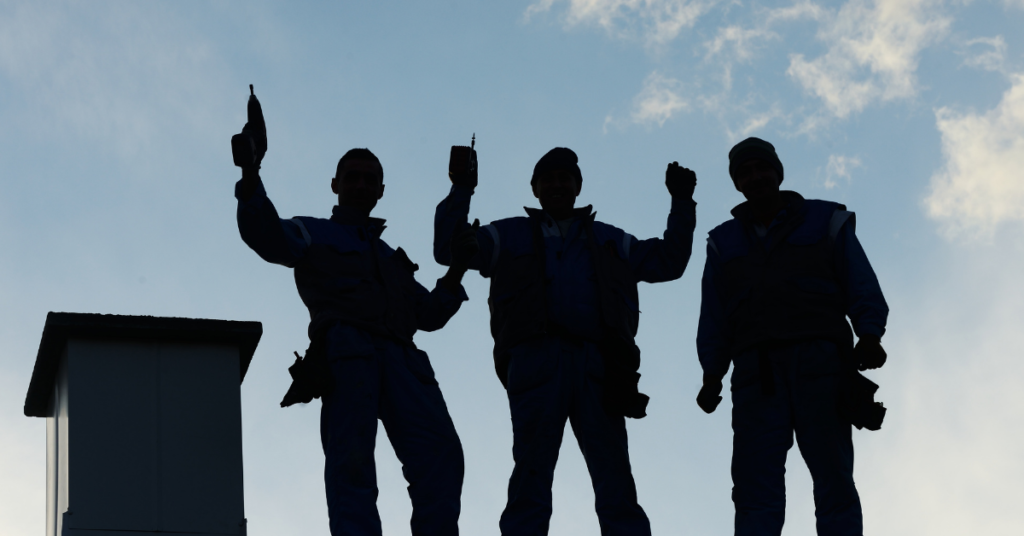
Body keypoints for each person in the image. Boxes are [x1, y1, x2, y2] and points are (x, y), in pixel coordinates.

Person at [434, 146, 697, 535]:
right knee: (531, 472)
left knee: (614, 477)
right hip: (534, 361)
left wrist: (682, 202)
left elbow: (669, 262)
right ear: (535, 189)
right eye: (548, 179)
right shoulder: (506, 234)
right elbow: (447, 250)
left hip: (600, 367)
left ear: (578, 186)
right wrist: (462, 189)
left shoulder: (610, 240)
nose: (556, 185)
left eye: (564, 178)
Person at [235, 143, 479, 536]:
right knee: (351, 465)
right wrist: (250, 174)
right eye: (353, 178)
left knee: (442, 456)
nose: (361, 185)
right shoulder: (312, 231)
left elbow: (429, 314)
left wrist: (458, 270)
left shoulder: (391, 259)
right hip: (348, 355)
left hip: (404, 362)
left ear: (381, 190)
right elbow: (266, 235)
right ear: (335, 185)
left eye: (370, 180)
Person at [695, 137, 889, 536]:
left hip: (822, 362)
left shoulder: (825, 218)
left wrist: (870, 333)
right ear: (737, 183)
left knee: (833, 476)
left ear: (778, 172)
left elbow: (859, 278)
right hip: (755, 373)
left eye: (762, 168)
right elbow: (713, 313)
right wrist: (712, 374)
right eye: (744, 172)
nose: (755, 177)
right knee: (754, 486)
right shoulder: (722, 241)